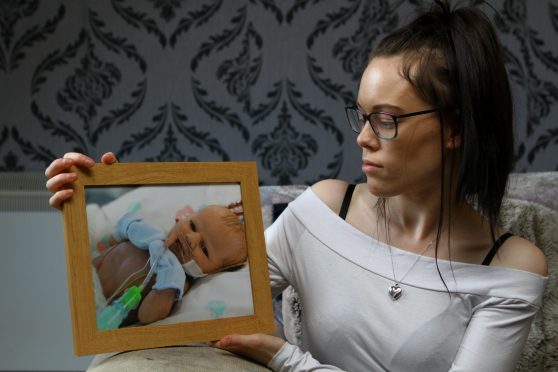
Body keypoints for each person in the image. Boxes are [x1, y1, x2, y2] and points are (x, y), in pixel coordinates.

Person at [45, 0, 548, 370]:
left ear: (455, 129)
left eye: (388, 120)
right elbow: (198, 291)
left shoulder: (510, 266)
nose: (364, 139)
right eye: (361, 115)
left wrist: (289, 360)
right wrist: (101, 198)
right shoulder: (323, 211)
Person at [93, 204, 247, 326]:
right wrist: (127, 229)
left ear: (209, 273)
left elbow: (146, 316)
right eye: (193, 226)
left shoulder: (178, 282)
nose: (191, 239)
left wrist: (168, 284)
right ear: (182, 218)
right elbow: (112, 240)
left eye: (204, 249)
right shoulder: (150, 232)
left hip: (99, 309)